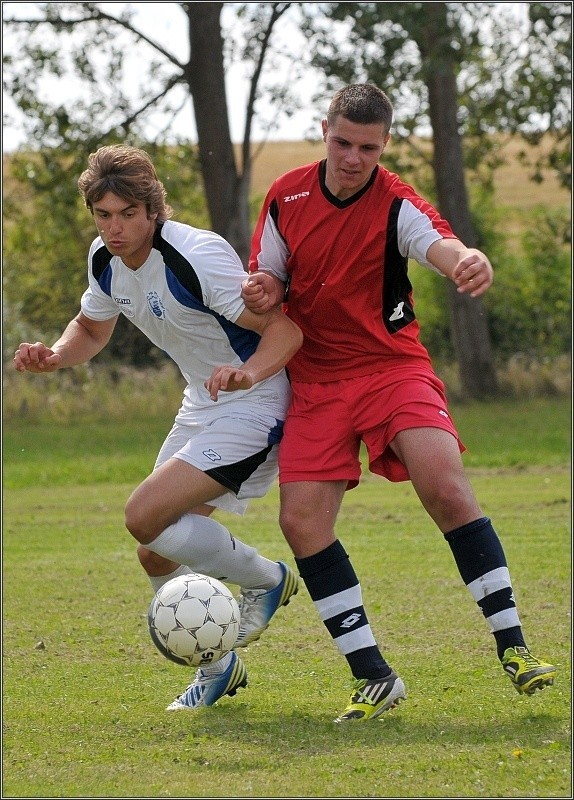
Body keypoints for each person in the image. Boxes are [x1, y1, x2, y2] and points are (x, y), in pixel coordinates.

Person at [242, 83, 557, 722]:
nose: (354, 158)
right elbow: (268, 279)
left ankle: (514, 649)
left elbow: (442, 246)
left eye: (368, 147)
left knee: (442, 481)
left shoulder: (395, 201)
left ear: (384, 144)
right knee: (301, 524)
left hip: (391, 368)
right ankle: (374, 677)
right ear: (324, 128)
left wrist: (469, 260)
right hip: (317, 381)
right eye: (342, 143)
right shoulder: (287, 195)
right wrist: (264, 288)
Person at [13, 144, 303, 712]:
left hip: (256, 402)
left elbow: (285, 333)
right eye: (103, 215)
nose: (114, 228)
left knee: (142, 516)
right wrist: (55, 355)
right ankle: (218, 667)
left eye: (126, 214)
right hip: (201, 403)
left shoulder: (195, 256)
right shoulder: (105, 259)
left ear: (153, 210)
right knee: (155, 554)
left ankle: (267, 579)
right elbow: (91, 330)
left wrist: (245, 375)